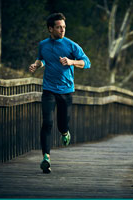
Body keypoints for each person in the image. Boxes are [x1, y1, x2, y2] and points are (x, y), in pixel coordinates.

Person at [29, 13, 91, 173]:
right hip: (49, 89)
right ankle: (46, 158)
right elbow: (42, 58)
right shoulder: (43, 44)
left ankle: (65, 132)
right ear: (51, 29)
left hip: (66, 90)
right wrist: (37, 65)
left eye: (64, 26)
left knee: (62, 124)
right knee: (47, 122)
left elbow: (87, 62)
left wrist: (71, 61)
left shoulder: (71, 45)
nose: (62, 29)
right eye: (59, 27)